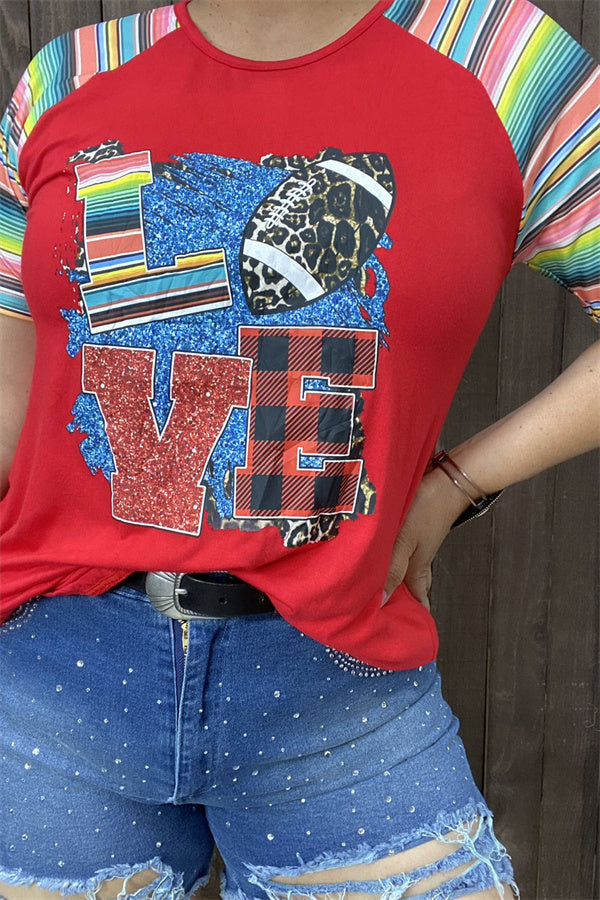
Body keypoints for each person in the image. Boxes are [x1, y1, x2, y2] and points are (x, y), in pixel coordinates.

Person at [0, 0, 598, 898]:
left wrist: (457, 483)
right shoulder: (68, 75)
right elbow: (15, 406)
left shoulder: (503, 65)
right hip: (57, 669)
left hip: (335, 681)